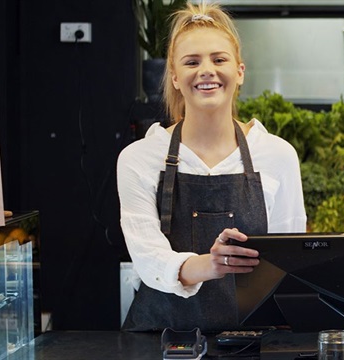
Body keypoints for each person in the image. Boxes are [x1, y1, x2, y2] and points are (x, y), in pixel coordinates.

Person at [116, 1, 307, 333]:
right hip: (160, 338)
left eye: (219, 59)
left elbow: (289, 261)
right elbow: (148, 259)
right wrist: (212, 264)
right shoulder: (140, 158)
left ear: (239, 71)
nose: (206, 70)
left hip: (256, 339)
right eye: (192, 62)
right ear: (174, 77)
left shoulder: (277, 155)